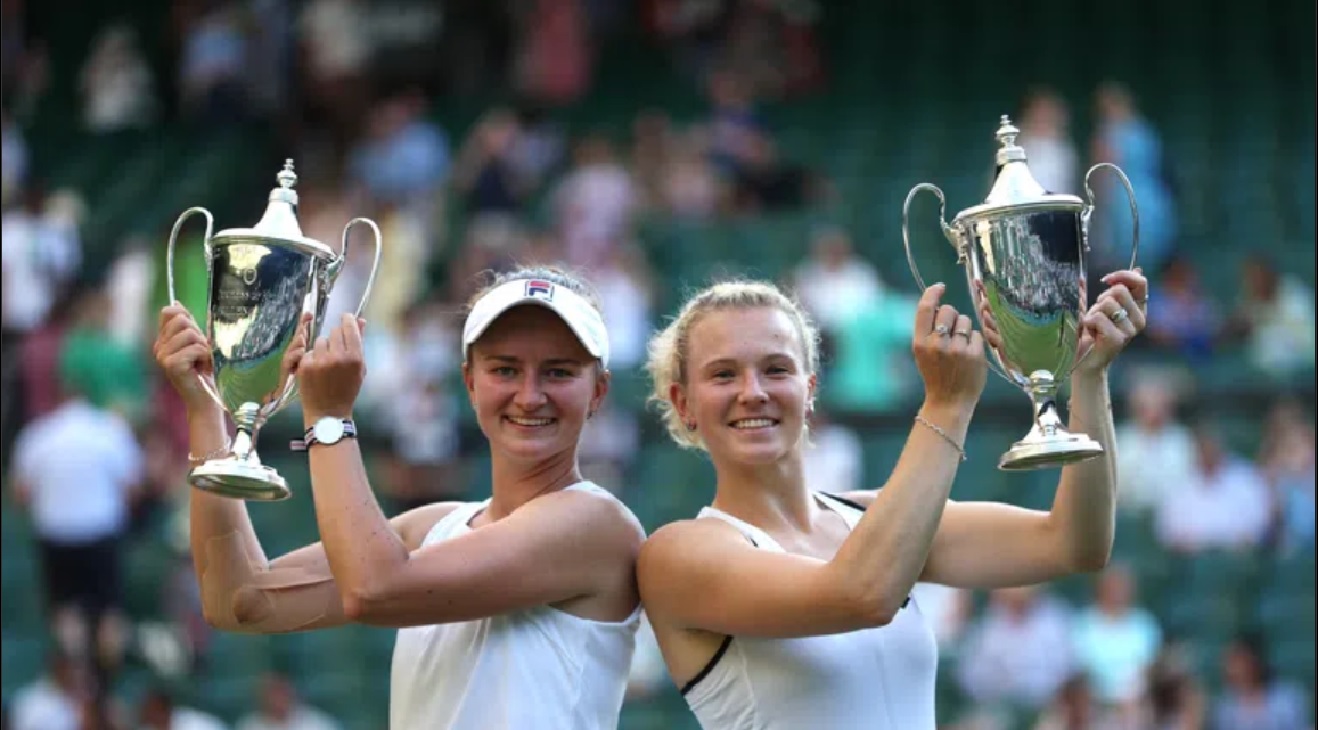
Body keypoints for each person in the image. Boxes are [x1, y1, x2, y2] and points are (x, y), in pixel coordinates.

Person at [637, 270, 1148, 729]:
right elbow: (862, 594)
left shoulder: (874, 518)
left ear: (810, 388)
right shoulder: (677, 556)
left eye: (776, 369)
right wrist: (946, 406)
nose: (753, 392)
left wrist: (1088, 374)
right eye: (723, 374)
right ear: (684, 404)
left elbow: (1073, 543)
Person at [152, 266, 645, 730]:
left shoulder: (596, 522)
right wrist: (204, 407)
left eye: (558, 372)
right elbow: (241, 601)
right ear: (470, 383)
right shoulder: (434, 527)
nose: (530, 394)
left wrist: (329, 419)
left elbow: (373, 588)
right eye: (505, 369)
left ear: (598, 391)